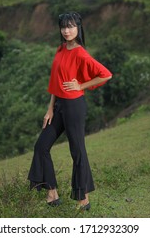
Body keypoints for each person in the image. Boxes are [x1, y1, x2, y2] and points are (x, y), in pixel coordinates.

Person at [27, 12, 112, 210]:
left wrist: (81, 86)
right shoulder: (61, 49)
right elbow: (56, 82)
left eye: (71, 26)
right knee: (41, 146)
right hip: (58, 107)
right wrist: (50, 109)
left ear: (78, 28)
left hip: (74, 107)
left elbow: (106, 75)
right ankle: (52, 193)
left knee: (77, 152)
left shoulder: (81, 53)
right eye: (63, 27)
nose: (66, 30)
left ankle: (84, 200)